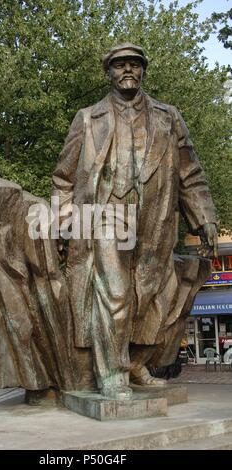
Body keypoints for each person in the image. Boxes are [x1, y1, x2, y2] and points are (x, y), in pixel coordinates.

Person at [52, 43, 217, 399]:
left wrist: (204, 218)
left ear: (143, 70)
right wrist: (64, 224)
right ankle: (112, 373)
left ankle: (136, 364)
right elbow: (64, 178)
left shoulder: (168, 117)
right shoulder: (87, 118)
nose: (127, 70)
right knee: (115, 293)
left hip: (155, 219)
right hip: (105, 216)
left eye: (134, 64)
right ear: (108, 72)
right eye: (119, 65)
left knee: (155, 295)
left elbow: (190, 173)